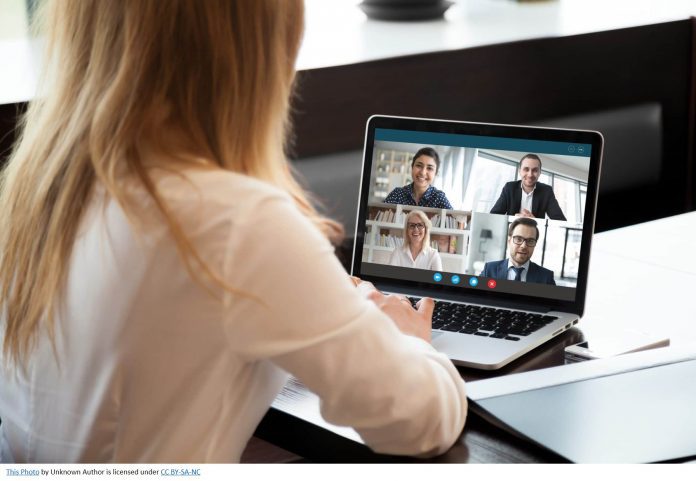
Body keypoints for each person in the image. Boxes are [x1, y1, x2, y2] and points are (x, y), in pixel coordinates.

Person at [0, 0, 467, 463]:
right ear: (260, 49)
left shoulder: (38, 192)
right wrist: (405, 341)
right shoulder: (237, 223)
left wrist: (321, 314)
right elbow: (417, 421)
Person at [489, 154, 566, 221]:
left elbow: (561, 221)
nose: (530, 175)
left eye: (535, 170)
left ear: (540, 172)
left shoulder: (546, 191)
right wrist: (513, 219)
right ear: (520, 171)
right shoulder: (509, 188)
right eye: (526, 169)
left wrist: (535, 221)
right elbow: (493, 216)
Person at [480, 218, 556, 285]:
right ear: (509, 241)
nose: (523, 246)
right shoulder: (489, 270)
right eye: (519, 239)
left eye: (530, 241)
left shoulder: (546, 277)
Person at [384, 147, 453, 209]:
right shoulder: (397, 194)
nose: (423, 172)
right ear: (412, 167)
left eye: (429, 168)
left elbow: (456, 220)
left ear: (435, 173)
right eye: (419, 165)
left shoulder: (439, 198)